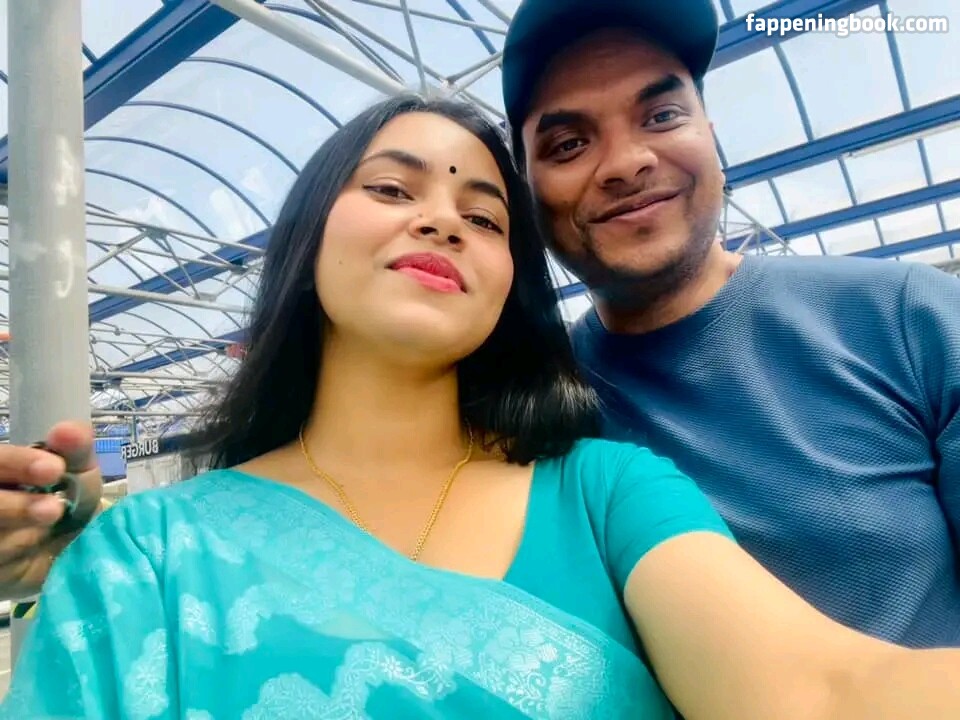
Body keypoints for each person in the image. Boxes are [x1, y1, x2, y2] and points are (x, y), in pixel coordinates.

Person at [3, 94, 960, 719]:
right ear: (306, 239)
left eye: (485, 217)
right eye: (392, 187)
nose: (441, 219)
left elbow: (821, 691)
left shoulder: (607, 494)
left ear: (511, 286)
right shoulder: (147, 556)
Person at [500, 0, 960, 648]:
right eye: (569, 144)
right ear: (527, 194)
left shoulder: (911, 317)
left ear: (711, 136)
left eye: (662, 115)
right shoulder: (534, 412)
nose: (627, 162)